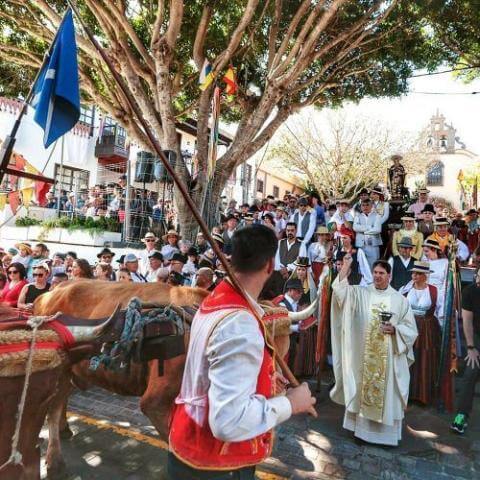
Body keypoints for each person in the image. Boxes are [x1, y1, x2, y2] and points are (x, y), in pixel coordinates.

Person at [168, 225, 317, 479]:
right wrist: (290, 404)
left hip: (191, 447)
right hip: (214, 464)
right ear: (270, 265)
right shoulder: (239, 323)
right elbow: (228, 422)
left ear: (231, 259)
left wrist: (266, 381)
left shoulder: (217, 300)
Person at [330, 258, 417, 446]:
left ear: (389, 275)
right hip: (365, 357)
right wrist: (345, 267)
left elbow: (411, 330)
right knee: (362, 388)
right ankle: (360, 432)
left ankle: (384, 437)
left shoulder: (400, 301)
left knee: (386, 395)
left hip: (389, 359)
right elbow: (340, 292)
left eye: (382, 273)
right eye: (375, 272)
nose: (378, 276)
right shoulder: (362, 294)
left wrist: (395, 330)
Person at [399, 261, 439, 406]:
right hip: (409, 327)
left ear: (425, 275)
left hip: (427, 329)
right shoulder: (405, 289)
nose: (414, 275)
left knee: (424, 358)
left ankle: (422, 395)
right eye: (413, 273)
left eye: (418, 273)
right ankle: (406, 393)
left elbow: (440, 312)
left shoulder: (434, 291)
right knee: (407, 358)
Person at [451, 269, 480, 434]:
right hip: (476, 337)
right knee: (471, 370)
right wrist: (470, 347)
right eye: (478, 276)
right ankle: (461, 415)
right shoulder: (470, 292)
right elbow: (467, 322)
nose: (478, 281)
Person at [422, 239, 448, 325]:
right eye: (424, 251)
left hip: (441, 291)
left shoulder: (445, 262)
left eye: (427, 251)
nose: (425, 254)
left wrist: (441, 293)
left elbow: (446, 281)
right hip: (426, 290)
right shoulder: (424, 262)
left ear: (434, 250)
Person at [353, 199, 382, 270]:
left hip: (373, 245)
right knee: (361, 266)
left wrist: (363, 231)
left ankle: (373, 280)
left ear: (371, 206)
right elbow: (355, 228)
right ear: (360, 207)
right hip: (361, 245)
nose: (365, 207)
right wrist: (369, 227)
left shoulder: (377, 216)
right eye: (363, 205)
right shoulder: (357, 216)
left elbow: (377, 230)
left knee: (373, 266)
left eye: (367, 205)